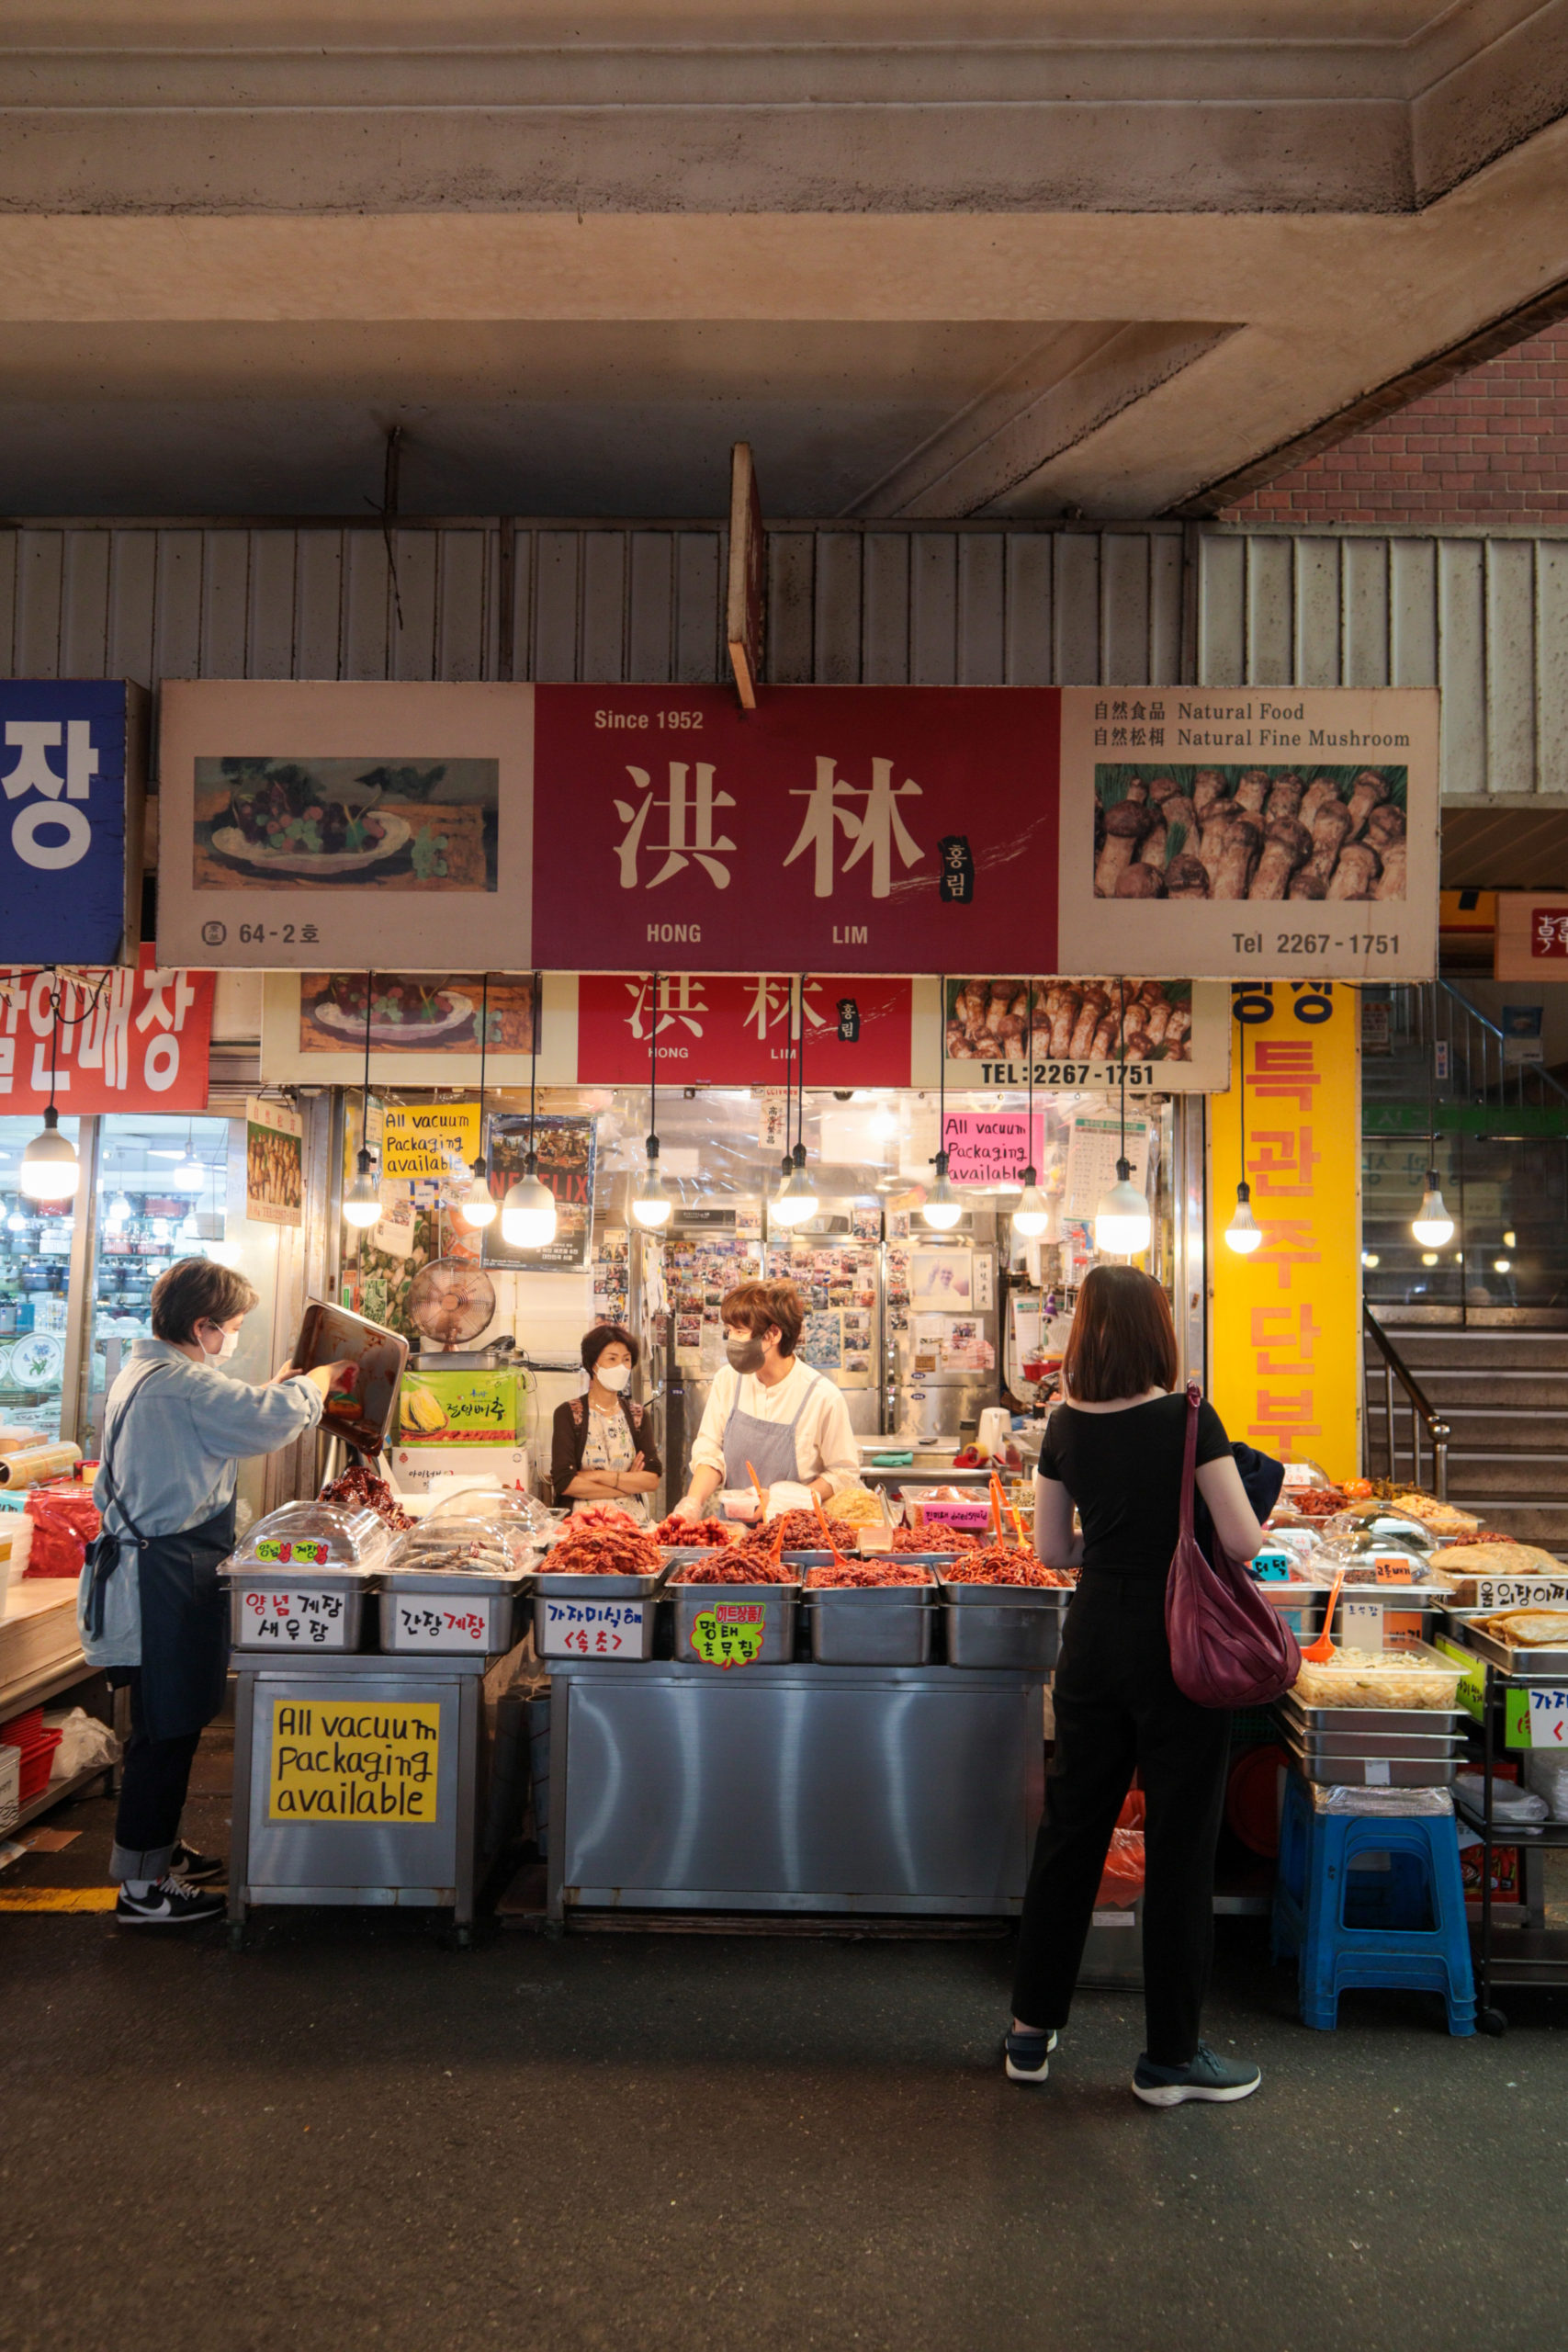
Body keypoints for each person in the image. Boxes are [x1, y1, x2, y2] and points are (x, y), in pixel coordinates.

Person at [1006, 1264, 1269, 2107]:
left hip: (1092, 1640)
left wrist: (1109, 1553)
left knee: (1071, 1829)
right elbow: (1240, 1541)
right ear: (1159, 1329)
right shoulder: (1189, 1419)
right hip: (1178, 1643)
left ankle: (1028, 2033)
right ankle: (1168, 2059)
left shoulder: (1062, 1424)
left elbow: (1051, 1552)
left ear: (1085, 1331)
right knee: (1182, 1843)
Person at [86, 1259, 354, 1928]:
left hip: (160, 1572)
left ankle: (157, 1850)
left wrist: (274, 1389)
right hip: (160, 1579)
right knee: (164, 1732)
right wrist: (315, 1384)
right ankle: (142, 1890)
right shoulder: (176, 1384)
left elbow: (230, 1416)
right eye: (230, 1328)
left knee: (164, 1725)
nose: (232, 1338)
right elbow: (265, 1421)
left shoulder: (152, 1374)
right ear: (201, 1326)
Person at [671, 1279, 858, 1522]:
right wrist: (692, 1502)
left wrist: (789, 1498)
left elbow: (843, 1474)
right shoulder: (728, 1380)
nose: (732, 1341)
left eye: (739, 1332)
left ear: (773, 1334)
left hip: (794, 1533)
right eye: (729, 1331)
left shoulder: (822, 1397)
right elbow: (710, 1450)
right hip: (734, 1531)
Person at [550, 1325, 662, 1523]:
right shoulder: (568, 1414)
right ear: (593, 1364)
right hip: (582, 1525)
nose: (621, 1367)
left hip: (632, 1524)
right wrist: (627, 1482)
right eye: (612, 1359)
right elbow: (565, 1482)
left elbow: (652, 1479)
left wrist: (597, 1476)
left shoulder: (638, 1415)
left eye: (626, 1359)